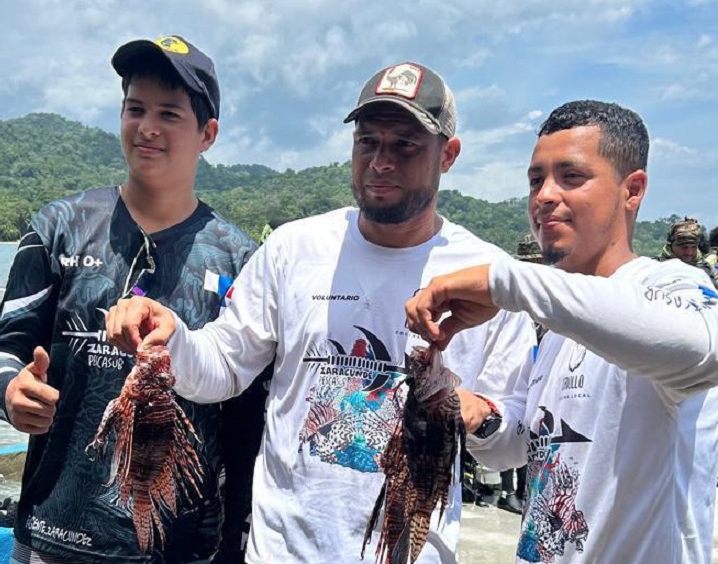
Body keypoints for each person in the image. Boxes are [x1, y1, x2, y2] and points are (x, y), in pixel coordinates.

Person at [105, 61, 536, 563]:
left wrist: (478, 414)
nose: (380, 160)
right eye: (367, 141)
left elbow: (514, 447)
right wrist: (172, 335)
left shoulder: (490, 278)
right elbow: (223, 367)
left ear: (449, 156)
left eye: (405, 145)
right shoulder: (295, 248)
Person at [0, 35, 268, 564]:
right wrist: (10, 392)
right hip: (54, 536)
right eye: (135, 109)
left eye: (169, 114)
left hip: (185, 548)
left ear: (208, 134)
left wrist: (238, 542)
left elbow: (247, 418)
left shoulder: (241, 259)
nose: (147, 127)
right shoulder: (59, 227)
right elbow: (3, 349)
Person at [406, 100, 718, 563]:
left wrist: (503, 281)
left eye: (571, 177)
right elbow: (519, 450)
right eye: (536, 180)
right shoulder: (559, 332)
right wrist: (479, 414)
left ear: (632, 190)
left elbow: (702, 347)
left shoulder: (669, 285)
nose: (545, 195)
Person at [495, 235, 545, 516]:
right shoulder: (514, 301)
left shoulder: (549, 297)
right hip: (518, 370)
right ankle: (508, 491)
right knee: (511, 425)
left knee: (533, 433)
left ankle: (524, 491)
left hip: (540, 371)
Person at [657, 217, 718, 287]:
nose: (689, 252)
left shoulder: (707, 269)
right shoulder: (655, 266)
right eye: (684, 247)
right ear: (672, 245)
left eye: (693, 247)